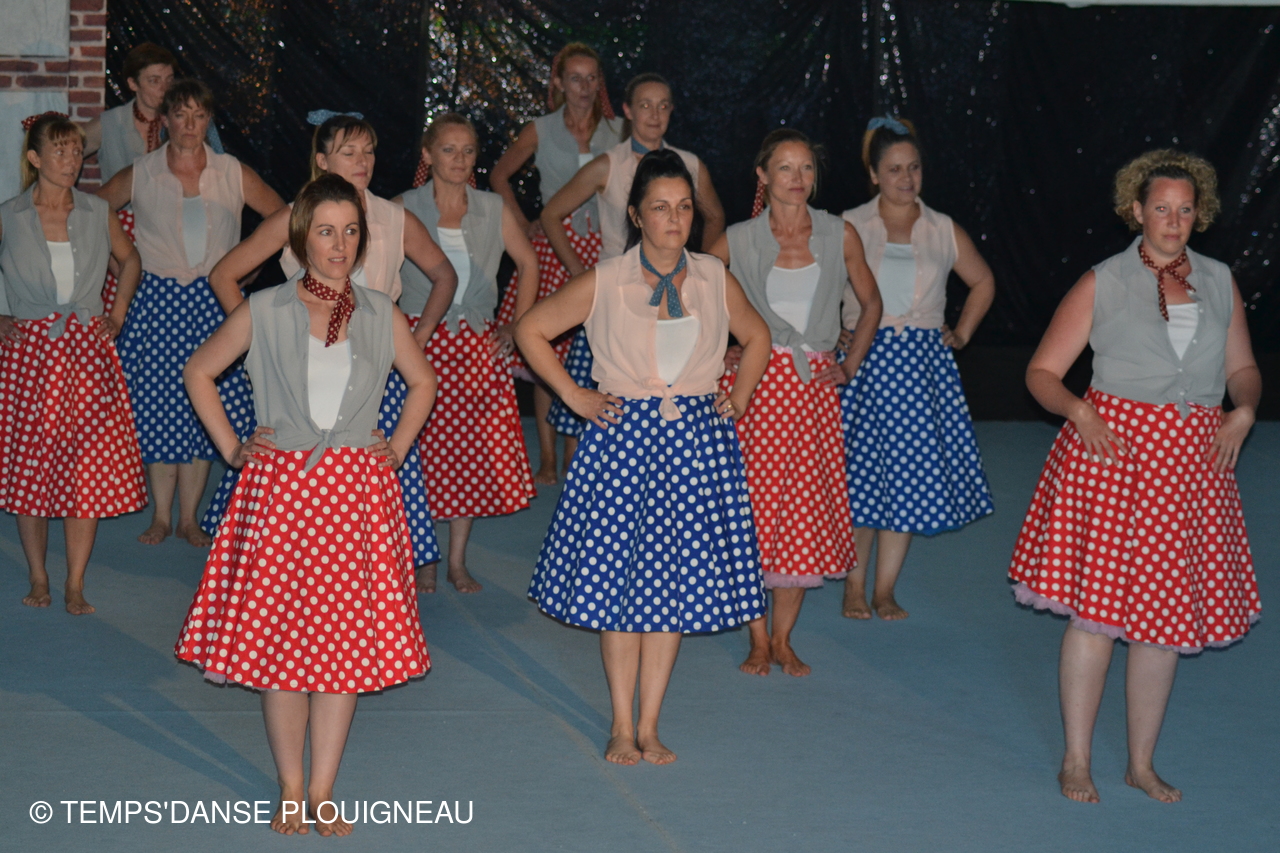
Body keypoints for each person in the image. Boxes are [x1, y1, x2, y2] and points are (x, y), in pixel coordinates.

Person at [175, 174, 436, 836]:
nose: (339, 244)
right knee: (284, 649)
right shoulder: (265, 308)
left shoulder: (380, 312)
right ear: (300, 239)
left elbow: (423, 381)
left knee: (342, 651)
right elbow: (199, 371)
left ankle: (323, 788)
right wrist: (233, 447)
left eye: (350, 231)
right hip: (282, 498)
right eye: (325, 231)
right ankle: (291, 783)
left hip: (355, 499)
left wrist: (397, 447)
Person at [1008, 150, 1261, 804]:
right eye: (1161, 208)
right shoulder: (1104, 280)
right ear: (1136, 211)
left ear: (1199, 214)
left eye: (1185, 209)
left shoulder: (1219, 280)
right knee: (1096, 616)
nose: (1174, 220)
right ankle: (1076, 759)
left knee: (1165, 621)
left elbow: (1241, 368)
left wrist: (1244, 409)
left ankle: (1141, 764)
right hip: (1113, 458)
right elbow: (1041, 373)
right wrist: (1080, 411)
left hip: (1191, 467)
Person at [519, 150, 769, 765]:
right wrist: (574, 395)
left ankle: (651, 725)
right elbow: (531, 329)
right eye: (660, 207)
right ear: (635, 215)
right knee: (618, 587)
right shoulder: (607, 278)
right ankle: (621, 723)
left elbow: (758, 335)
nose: (675, 218)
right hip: (622, 446)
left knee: (670, 589)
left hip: (694, 449)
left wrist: (737, 395)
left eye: (684, 207)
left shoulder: (712, 276)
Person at [199, 111, 458, 567]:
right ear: (322, 160)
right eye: (349, 152)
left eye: (369, 152)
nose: (362, 161)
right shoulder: (293, 220)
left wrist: (416, 336)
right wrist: (261, 342)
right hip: (303, 371)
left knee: (374, 518)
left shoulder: (394, 217)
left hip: (372, 373)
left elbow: (443, 278)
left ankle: (397, 570)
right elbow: (224, 277)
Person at [708, 129, 882, 677]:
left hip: (812, 398)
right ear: (763, 176)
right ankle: (757, 639)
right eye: (785, 168)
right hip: (754, 396)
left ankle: (783, 639)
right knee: (754, 514)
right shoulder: (739, 239)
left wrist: (849, 364)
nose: (798, 178)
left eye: (806, 167)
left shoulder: (838, 233)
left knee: (801, 515)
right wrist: (723, 348)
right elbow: (692, 289)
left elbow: (872, 303)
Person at [95, 79, 285, 547]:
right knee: (161, 406)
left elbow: (283, 217)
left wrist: (246, 272)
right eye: (180, 115)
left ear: (208, 120)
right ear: (166, 120)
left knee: (209, 404)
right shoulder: (142, 172)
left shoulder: (231, 171)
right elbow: (89, 212)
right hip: (157, 305)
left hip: (214, 304)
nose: (189, 124)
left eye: (199, 115)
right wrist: (124, 265)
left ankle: (189, 518)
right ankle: (161, 516)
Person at [838, 116, 996, 621]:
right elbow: (819, 283)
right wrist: (833, 330)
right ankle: (854, 587)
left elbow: (983, 282)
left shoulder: (942, 228)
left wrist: (961, 333)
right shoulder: (849, 225)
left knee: (907, 480)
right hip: (864, 365)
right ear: (873, 174)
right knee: (860, 479)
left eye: (914, 168)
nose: (906, 178)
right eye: (894, 169)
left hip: (919, 371)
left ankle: (885, 590)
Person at [0, 113, 146, 614]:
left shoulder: (96, 210)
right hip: (31, 358)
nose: (71, 160)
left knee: (84, 470)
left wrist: (117, 312)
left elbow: (131, 260)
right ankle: (39, 576)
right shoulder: (10, 214)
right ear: (35, 158)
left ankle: (75, 582)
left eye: (76, 150)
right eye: (59, 151)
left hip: (86, 355)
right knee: (33, 472)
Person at [540, 72, 726, 453]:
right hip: (617, 302)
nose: (654, 115)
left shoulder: (690, 166)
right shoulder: (608, 165)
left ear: (672, 111)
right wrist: (578, 272)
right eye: (645, 105)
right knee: (594, 413)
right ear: (627, 110)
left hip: (675, 295)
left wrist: (699, 270)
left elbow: (716, 217)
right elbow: (551, 213)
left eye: (663, 106)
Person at [396, 113, 539, 593]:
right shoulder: (404, 206)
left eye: (468, 150)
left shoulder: (492, 208)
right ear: (427, 154)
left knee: (469, 456)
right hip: (420, 342)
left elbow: (529, 262)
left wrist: (516, 325)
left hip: (476, 347)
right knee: (420, 452)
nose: (459, 159)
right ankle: (425, 558)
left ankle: (456, 561)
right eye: (448, 149)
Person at [490, 43, 623, 484]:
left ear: (600, 83)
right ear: (558, 83)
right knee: (548, 349)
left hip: (604, 249)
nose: (584, 87)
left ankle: (581, 454)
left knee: (594, 352)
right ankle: (547, 457)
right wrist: (523, 222)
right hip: (555, 247)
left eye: (591, 78)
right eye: (575, 78)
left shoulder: (618, 131)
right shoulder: (541, 129)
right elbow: (498, 175)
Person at [83, 43, 225, 186]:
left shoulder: (195, 121)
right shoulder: (109, 124)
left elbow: (221, 174)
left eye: (169, 80)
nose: (165, 88)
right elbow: (69, 151)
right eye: (154, 81)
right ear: (133, 84)